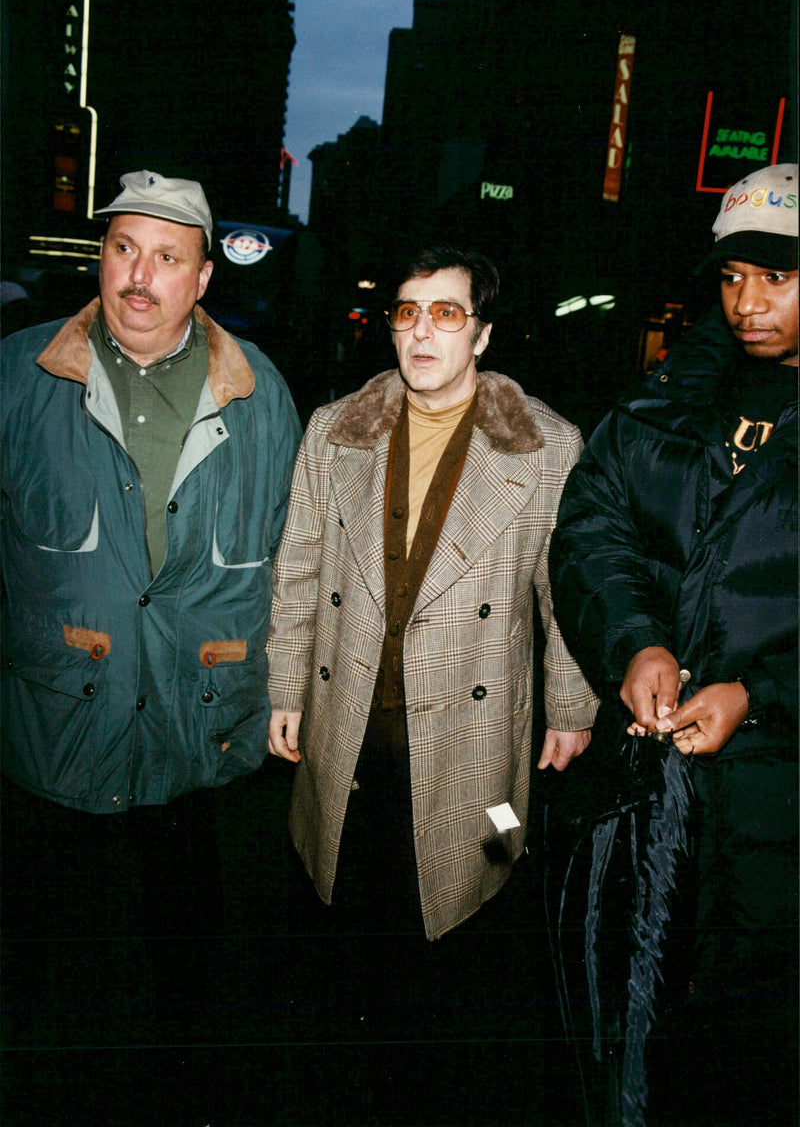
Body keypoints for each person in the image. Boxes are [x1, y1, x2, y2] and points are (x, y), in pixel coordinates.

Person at [1, 171, 302, 1036]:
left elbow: (293, 557)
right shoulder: (20, 380)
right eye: (123, 248)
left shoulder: (261, 397)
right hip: (53, 738)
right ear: (100, 258)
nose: (139, 276)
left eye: (167, 257)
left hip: (193, 740)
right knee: (44, 984)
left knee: (184, 982)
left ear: (203, 278)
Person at [549, 163, 798, 1125]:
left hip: (778, 806)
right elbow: (593, 529)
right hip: (646, 791)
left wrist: (760, 693)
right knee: (628, 1025)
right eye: (734, 276)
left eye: (778, 277)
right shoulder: (667, 400)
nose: (749, 303)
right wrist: (635, 645)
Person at [267, 243, 597, 945]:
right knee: (343, 910)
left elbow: (562, 591)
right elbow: (297, 567)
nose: (421, 331)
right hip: (348, 716)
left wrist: (570, 707)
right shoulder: (334, 431)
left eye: (446, 313)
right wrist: (285, 690)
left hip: (472, 726)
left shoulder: (548, 446)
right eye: (408, 312)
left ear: (482, 334)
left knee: (475, 886)